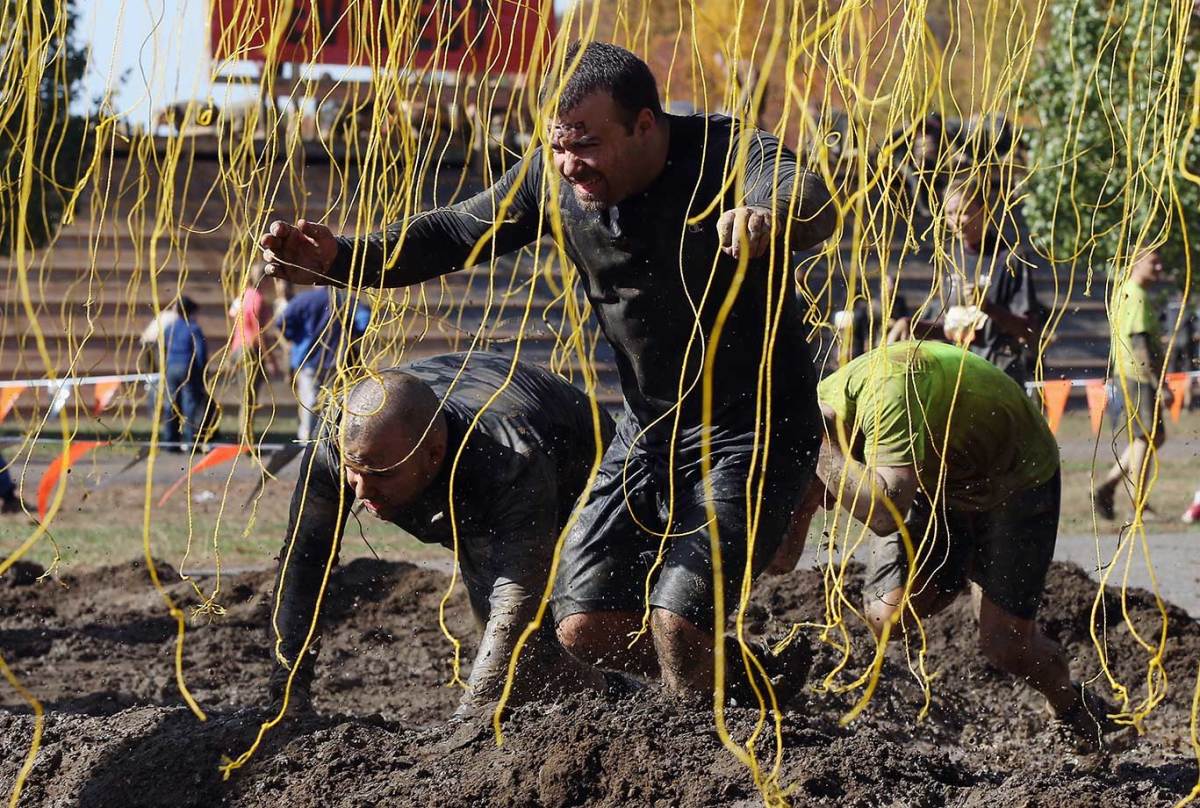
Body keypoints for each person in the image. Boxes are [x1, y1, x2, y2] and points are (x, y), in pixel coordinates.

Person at [260, 41, 837, 699]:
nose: (569, 164)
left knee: (677, 620)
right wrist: (342, 258)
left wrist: (769, 216)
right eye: (559, 145)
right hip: (649, 428)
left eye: (586, 145)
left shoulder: (727, 153)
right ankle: (758, 686)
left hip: (755, 429)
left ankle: (706, 760)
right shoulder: (551, 180)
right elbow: (453, 232)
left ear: (644, 125)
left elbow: (808, 192)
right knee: (581, 625)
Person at [770, 341, 1126, 749]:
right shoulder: (807, 429)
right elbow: (783, 560)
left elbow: (885, 513)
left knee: (1005, 643)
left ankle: (1073, 706)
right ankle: (956, 563)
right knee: (889, 616)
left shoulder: (880, 399)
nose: (827, 505)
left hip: (1014, 475)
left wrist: (826, 455)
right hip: (933, 478)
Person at [268, 351, 614, 716]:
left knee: (562, 630)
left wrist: (471, 714)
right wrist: (287, 692)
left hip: (584, 471)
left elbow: (517, 589)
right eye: (354, 471)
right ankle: (599, 692)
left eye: (381, 474)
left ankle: (624, 695)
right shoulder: (336, 444)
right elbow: (305, 560)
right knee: (520, 660)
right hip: (474, 469)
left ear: (433, 455)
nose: (361, 492)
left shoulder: (508, 458)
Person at [893, 175, 1048, 387]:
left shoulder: (1010, 259)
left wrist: (987, 307)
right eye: (949, 213)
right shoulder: (949, 258)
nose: (955, 220)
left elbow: (1028, 331)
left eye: (963, 212)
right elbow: (950, 328)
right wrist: (912, 325)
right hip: (958, 374)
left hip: (999, 375)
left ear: (984, 210)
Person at [1093, 249, 1171, 520]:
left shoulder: (1129, 292)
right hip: (1138, 376)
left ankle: (1109, 485)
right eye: (1153, 261)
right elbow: (1140, 343)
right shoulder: (1135, 295)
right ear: (1135, 264)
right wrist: (1159, 382)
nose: (1159, 267)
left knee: (1153, 436)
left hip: (1130, 374)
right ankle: (1138, 506)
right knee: (1146, 437)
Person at [275, 287, 371, 442]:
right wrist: (352, 334)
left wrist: (295, 338)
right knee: (335, 402)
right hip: (336, 360)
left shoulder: (302, 300)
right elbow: (365, 319)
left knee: (310, 402)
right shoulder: (344, 299)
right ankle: (332, 440)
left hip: (307, 360)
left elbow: (282, 322)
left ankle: (308, 442)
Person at [227, 264, 279, 442]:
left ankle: (244, 435)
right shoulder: (258, 299)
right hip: (250, 350)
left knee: (245, 396)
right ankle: (246, 439)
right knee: (249, 397)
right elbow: (259, 333)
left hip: (237, 349)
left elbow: (234, 322)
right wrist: (270, 358)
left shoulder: (242, 296)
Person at [160, 296, 213, 450]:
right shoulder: (194, 328)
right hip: (187, 367)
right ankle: (190, 442)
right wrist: (203, 371)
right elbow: (200, 352)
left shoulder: (169, 328)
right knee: (189, 403)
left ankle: (170, 442)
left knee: (171, 403)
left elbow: (163, 348)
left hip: (171, 367)